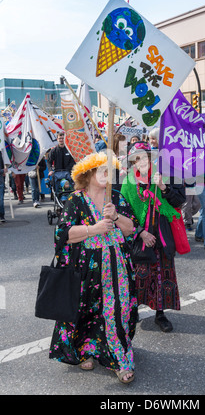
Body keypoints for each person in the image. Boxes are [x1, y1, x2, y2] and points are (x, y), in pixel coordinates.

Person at [49, 152, 138, 384]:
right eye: (102, 170)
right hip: (85, 268)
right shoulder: (76, 200)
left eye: (110, 171)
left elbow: (130, 229)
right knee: (85, 308)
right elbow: (63, 234)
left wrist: (116, 216)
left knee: (115, 309)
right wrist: (94, 229)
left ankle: (119, 359)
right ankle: (84, 350)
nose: (106, 175)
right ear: (87, 174)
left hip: (116, 266)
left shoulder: (116, 197)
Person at [121, 141, 185, 332]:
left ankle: (160, 313)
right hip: (138, 236)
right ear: (133, 161)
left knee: (162, 274)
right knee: (137, 275)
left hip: (162, 234)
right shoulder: (127, 182)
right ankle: (133, 310)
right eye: (138, 158)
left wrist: (163, 187)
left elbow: (180, 201)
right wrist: (140, 232)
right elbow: (124, 212)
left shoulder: (164, 176)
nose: (143, 161)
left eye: (146, 156)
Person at [0, 151, 7, 222]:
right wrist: (2, 170)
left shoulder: (0, 153)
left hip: (0, 181)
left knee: (1, 200)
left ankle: (2, 215)